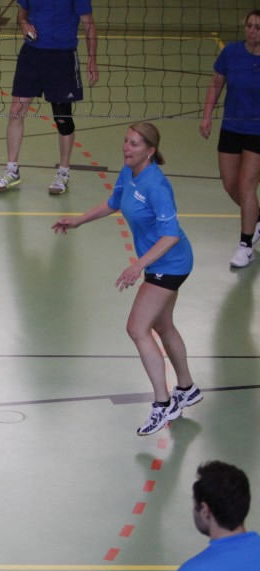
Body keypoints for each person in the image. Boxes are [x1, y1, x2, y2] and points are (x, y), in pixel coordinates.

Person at [52, 123, 201, 436]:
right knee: (163, 326)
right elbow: (114, 202)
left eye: (134, 144)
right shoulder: (128, 172)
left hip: (169, 263)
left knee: (137, 328)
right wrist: (79, 220)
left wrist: (137, 266)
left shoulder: (156, 185)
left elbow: (171, 235)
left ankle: (163, 404)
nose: (126, 148)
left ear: (150, 151)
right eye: (126, 141)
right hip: (160, 262)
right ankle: (186, 388)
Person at [0, 0, 98, 195]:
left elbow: (88, 23)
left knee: (62, 117)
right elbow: (22, 12)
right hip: (31, 55)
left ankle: (63, 172)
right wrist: (24, 24)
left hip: (62, 57)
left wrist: (92, 59)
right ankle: (12, 170)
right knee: (16, 110)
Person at [200, 10, 260, 269]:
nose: (252, 31)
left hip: (258, 131)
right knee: (230, 184)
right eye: (249, 26)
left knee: (247, 187)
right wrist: (207, 115)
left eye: (258, 27)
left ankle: (245, 246)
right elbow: (216, 84)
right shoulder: (231, 52)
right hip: (231, 127)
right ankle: (257, 219)